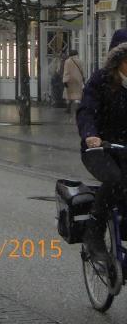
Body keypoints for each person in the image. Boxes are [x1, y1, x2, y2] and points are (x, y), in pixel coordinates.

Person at [77, 28, 127, 266]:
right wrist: (90, 135)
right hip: (101, 148)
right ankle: (94, 234)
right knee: (115, 180)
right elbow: (86, 110)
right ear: (118, 60)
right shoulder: (100, 81)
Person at [63, 49, 84, 118]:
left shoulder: (67, 61)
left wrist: (65, 81)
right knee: (77, 95)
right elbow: (82, 71)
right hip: (78, 80)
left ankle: (68, 108)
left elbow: (66, 72)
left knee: (69, 95)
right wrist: (83, 78)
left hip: (70, 80)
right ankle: (77, 109)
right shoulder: (80, 61)